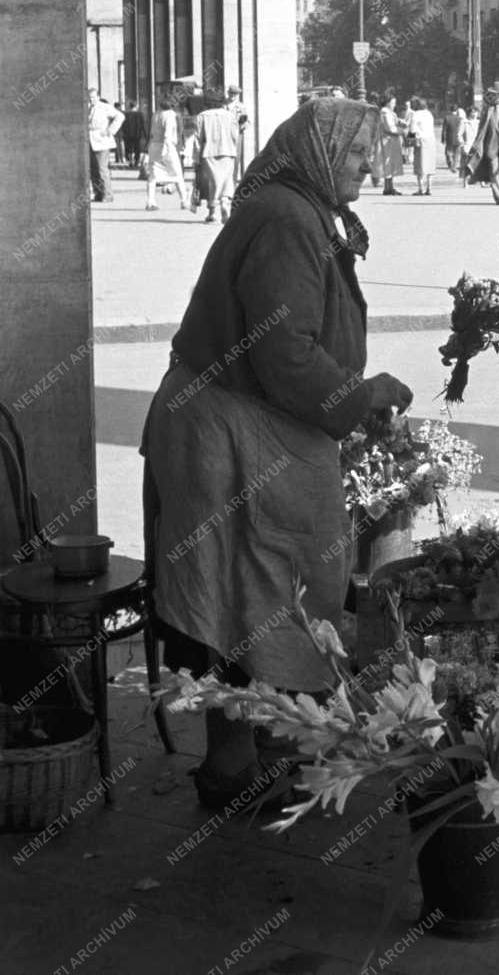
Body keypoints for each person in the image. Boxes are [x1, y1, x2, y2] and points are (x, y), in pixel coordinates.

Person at [142, 97, 413, 809]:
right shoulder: (289, 219)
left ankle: (250, 749)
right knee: (243, 597)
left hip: (239, 423)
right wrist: (362, 395)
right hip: (228, 435)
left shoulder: (296, 208)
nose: (367, 163)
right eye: (358, 151)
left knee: (253, 593)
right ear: (322, 151)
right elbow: (282, 347)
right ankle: (231, 770)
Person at [195, 91, 241, 224]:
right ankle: (225, 203)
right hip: (228, 151)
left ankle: (212, 212)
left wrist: (196, 157)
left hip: (209, 152)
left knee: (212, 182)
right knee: (226, 180)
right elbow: (235, 136)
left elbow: (198, 139)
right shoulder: (230, 116)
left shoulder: (202, 116)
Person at [144, 94, 190, 211]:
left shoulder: (156, 114)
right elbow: (168, 135)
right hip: (167, 147)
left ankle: (150, 202)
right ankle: (184, 201)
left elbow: (151, 133)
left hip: (154, 145)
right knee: (177, 174)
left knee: (153, 176)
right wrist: (167, 149)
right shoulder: (170, 115)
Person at [87, 88, 124, 204]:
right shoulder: (88, 108)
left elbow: (120, 116)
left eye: (93, 97)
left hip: (102, 141)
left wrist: (110, 130)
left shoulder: (105, 107)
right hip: (90, 141)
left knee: (102, 169)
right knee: (93, 170)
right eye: (89, 98)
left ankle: (108, 194)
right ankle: (98, 193)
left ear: (98, 97)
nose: (91, 100)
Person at [408, 96, 437, 196]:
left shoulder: (416, 114)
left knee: (420, 165)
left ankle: (420, 188)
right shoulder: (429, 114)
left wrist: (410, 138)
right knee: (430, 165)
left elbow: (412, 129)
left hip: (421, 140)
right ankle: (429, 188)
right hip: (431, 140)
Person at [379, 92, 405, 195]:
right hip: (389, 140)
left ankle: (389, 187)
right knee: (388, 162)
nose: (394, 104)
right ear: (388, 102)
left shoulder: (389, 112)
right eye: (393, 102)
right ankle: (388, 187)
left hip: (390, 140)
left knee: (390, 163)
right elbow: (390, 128)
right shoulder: (385, 112)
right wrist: (401, 131)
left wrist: (399, 122)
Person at [226, 86, 249, 188]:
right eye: (231, 93)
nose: (233, 96)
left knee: (236, 159)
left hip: (237, 135)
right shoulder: (223, 105)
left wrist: (243, 125)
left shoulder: (241, 106)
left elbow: (247, 121)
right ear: (228, 93)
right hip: (225, 135)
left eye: (235, 94)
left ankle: (233, 183)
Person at [121, 101, 147, 168]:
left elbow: (123, 125)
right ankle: (136, 161)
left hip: (127, 135)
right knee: (137, 148)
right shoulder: (140, 114)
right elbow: (143, 125)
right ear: (136, 106)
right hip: (137, 134)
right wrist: (145, 134)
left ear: (129, 106)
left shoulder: (125, 114)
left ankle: (130, 161)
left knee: (129, 148)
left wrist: (123, 133)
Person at [458, 106, 479, 186]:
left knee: (478, 164)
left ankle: (481, 181)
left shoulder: (479, 122)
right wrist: (462, 144)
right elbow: (459, 135)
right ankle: (465, 182)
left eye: (476, 112)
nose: (475, 114)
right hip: (467, 146)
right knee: (466, 164)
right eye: (473, 112)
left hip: (477, 146)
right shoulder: (464, 122)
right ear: (469, 113)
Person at [442, 104, 465, 172]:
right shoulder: (460, 119)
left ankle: (450, 163)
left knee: (448, 152)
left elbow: (444, 130)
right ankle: (454, 166)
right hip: (457, 138)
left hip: (449, 138)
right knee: (457, 153)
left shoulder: (447, 118)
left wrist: (443, 139)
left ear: (450, 110)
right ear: (457, 110)